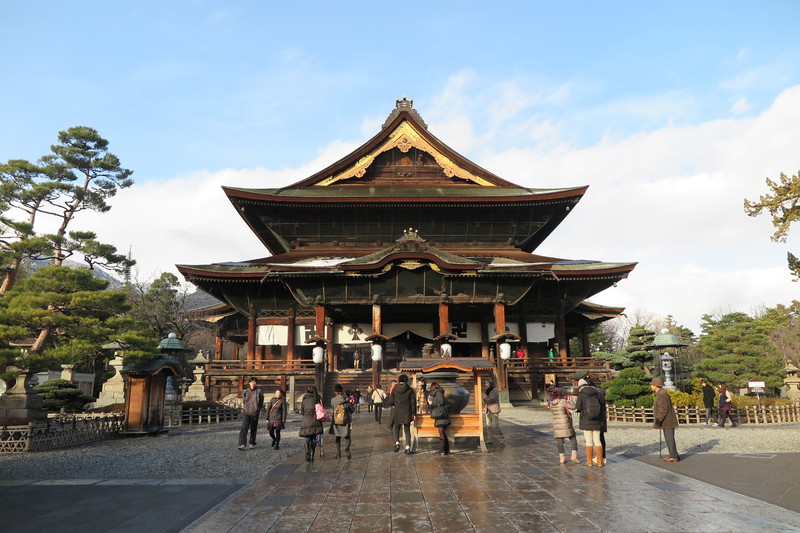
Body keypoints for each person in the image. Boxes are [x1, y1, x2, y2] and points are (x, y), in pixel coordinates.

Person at [574, 378, 603, 466]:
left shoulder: (581, 395)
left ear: (580, 387)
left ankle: (589, 461)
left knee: (589, 441)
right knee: (597, 440)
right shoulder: (596, 393)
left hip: (586, 420)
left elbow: (578, 407)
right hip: (597, 419)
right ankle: (599, 461)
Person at [651, 377, 680, 462]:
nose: (651, 386)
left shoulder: (662, 394)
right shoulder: (660, 393)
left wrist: (659, 419)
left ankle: (674, 456)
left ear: (656, 385)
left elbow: (664, 408)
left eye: (652, 385)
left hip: (667, 420)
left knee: (669, 438)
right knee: (668, 438)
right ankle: (673, 455)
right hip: (666, 420)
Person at [548, 387, 579, 464]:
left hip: (556, 422)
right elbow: (574, 406)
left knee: (559, 440)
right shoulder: (563, 401)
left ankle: (562, 457)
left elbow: (552, 411)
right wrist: (570, 400)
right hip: (565, 421)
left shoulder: (551, 403)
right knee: (572, 437)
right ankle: (574, 455)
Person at [389, 374, 416, 453]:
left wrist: (393, 405)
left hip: (397, 412)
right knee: (407, 429)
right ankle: (407, 447)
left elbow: (391, 401)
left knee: (396, 428)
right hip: (407, 411)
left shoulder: (394, 389)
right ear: (406, 381)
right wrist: (414, 413)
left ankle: (397, 443)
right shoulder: (410, 390)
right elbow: (413, 403)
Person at [238, 377, 264, 450]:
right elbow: (244, 400)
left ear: (256, 383)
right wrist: (245, 408)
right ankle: (242, 444)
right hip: (246, 412)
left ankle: (252, 442)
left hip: (254, 412)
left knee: (253, 428)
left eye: (254, 382)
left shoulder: (259, 391)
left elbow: (261, 402)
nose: (253, 383)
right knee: (244, 427)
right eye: (251, 382)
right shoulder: (246, 391)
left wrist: (257, 409)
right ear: (249, 383)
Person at [299, 385, 323, 462]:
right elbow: (322, 408)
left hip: (307, 419)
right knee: (314, 437)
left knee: (307, 435)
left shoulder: (304, 399)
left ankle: (307, 450)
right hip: (316, 419)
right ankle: (312, 454)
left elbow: (302, 411)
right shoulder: (318, 398)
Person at [330, 383, 354, 459]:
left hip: (336, 420)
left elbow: (333, 408)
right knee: (347, 436)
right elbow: (352, 409)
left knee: (338, 436)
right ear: (341, 391)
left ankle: (338, 452)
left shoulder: (333, 400)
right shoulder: (345, 399)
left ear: (335, 392)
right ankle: (347, 449)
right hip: (346, 420)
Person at [428, 382, 451, 455]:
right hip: (442, 415)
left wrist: (432, 403)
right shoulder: (438, 392)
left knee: (441, 432)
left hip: (441, 415)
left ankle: (442, 450)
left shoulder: (438, 393)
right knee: (443, 432)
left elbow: (441, 402)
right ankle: (446, 449)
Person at [483, 379, 503, 445]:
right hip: (488, 409)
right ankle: (489, 439)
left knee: (496, 425)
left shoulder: (495, 390)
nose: (486, 384)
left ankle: (501, 438)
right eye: (485, 383)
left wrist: (485, 399)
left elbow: (493, 399)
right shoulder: (487, 391)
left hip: (494, 409)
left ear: (490, 383)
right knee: (488, 426)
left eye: (487, 383)